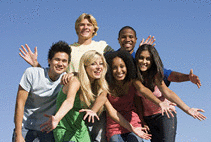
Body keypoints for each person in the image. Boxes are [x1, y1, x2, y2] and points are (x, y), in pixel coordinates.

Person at [18, 13, 114, 142]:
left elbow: (119, 62)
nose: (85, 27)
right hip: (72, 104)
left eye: (89, 25)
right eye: (81, 24)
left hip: (94, 103)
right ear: (76, 28)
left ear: (94, 28)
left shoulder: (102, 47)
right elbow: (56, 73)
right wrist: (37, 66)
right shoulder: (70, 50)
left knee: (97, 138)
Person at [40, 50, 151, 142]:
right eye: (93, 64)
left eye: (101, 63)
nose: (98, 67)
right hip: (65, 127)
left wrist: (133, 129)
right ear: (85, 66)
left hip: (80, 128)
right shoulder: (76, 80)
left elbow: (112, 113)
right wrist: (57, 118)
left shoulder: (101, 86)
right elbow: (69, 102)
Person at [135, 44, 206, 142]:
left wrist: (188, 109)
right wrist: (142, 119)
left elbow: (168, 92)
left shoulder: (155, 74)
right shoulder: (134, 76)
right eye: (141, 58)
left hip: (165, 114)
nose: (144, 62)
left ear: (153, 61)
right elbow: (141, 93)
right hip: (149, 118)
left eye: (148, 59)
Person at [13, 41, 71, 142]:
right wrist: (18, 134)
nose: (60, 63)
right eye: (57, 59)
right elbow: (20, 103)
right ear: (49, 60)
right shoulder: (31, 73)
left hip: (47, 131)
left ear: (68, 64)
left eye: (64, 61)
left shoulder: (66, 80)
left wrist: (74, 74)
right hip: (25, 128)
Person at [117, 26, 201, 88]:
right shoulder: (111, 58)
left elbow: (168, 75)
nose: (127, 39)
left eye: (131, 37)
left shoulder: (141, 60)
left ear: (135, 39)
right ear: (118, 39)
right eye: (123, 37)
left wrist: (188, 77)